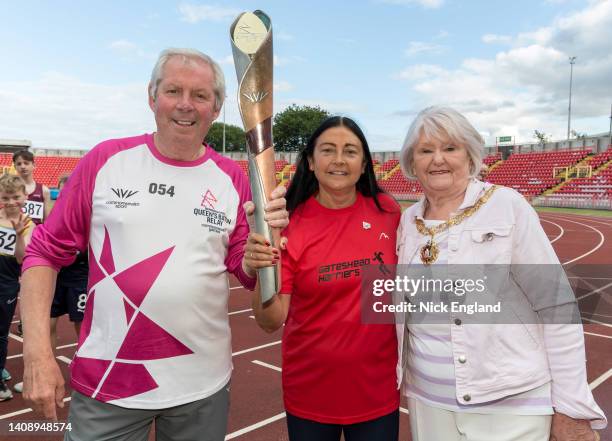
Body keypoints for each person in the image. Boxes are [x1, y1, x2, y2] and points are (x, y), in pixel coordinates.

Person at [19, 48, 288, 441]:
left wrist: (256, 259)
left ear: (217, 107)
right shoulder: (107, 160)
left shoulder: (233, 177)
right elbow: (44, 253)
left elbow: (242, 268)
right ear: (151, 96)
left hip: (202, 385)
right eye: (173, 91)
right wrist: (37, 355)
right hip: (109, 383)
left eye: (200, 95)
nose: (185, 105)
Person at [396, 106, 606, 441]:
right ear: (411, 161)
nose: (438, 159)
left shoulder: (507, 206)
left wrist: (572, 408)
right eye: (425, 150)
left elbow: (557, 305)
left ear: (470, 155)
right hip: (428, 403)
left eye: (450, 148)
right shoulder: (408, 222)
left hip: (511, 407)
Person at [244, 116, 401, 441]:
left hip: (377, 389)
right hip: (310, 391)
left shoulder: (388, 212)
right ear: (311, 162)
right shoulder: (289, 223)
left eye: (351, 151)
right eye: (328, 150)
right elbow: (271, 320)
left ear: (364, 164)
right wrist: (264, 268)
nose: (340, 160)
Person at [13, 173, 87, 394]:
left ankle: (85, 376)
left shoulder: (88, 215)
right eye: (62, 193)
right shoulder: (51, 214)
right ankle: (45, 373)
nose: (66, 197)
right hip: (54, 277)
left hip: (79, 279)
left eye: (70, 192)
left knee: (82, 329)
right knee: (47, 325)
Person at [0, 174, 34, 401]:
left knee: (1, 334)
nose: (11, 202)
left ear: (25, 196)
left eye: (16, 197)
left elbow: (22, 259)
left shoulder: (28, 222)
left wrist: (20, 234)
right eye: (6, 197)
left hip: (7, 285)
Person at [12, 150, 51, 224]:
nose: (23, 166)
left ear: (34, 165)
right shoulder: (9, 189)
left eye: (26, 163)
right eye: (19, 164)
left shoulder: (44, 190)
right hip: (14, 232)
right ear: (15, 167)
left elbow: (47, 221)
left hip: (35, 234)